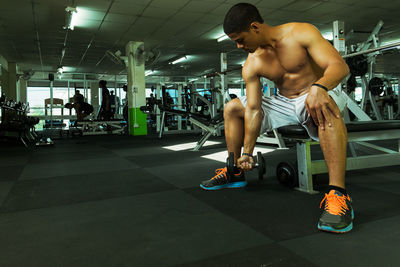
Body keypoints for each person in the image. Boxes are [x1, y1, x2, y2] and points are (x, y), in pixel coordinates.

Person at [200, 3, 353, 234]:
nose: (239, 46)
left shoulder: (301, 32)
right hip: (284, 101)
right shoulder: (252, 63)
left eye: (240, 39)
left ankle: (338, 196)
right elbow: (253, 109)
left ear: (254, 26)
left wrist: (319, 86)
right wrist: (247, 153)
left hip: (318, 92)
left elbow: (339, 66)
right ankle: (234, 171)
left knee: (325, 104)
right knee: (232, 108)